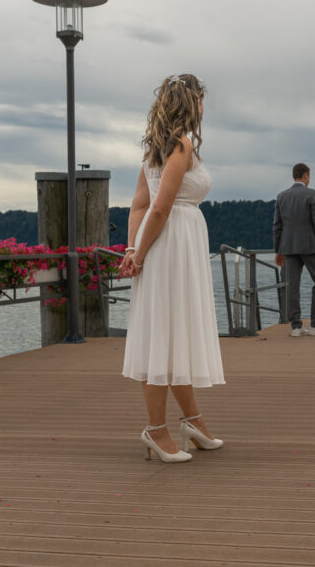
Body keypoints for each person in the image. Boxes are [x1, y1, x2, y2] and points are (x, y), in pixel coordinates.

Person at [121, 73, 225, 463]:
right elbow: (159, 207)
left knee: (173, 331)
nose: (203, 108)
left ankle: (193, 422)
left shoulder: (156, 148)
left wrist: (133, 248)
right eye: (200, 101)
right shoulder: (180, 146)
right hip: (169, 247)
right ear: (189, 104)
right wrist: (141, 254)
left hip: (167, 247)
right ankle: (156, 430)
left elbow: (138, 205)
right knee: (163, 334)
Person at [273, 163, 315, 337]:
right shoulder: (311, 194)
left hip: (288, 247)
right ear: (306, 176)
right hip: (309, 246)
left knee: (292, 286)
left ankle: (296, 327)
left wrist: (278, 250)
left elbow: (277, 226)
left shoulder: (282, 196)